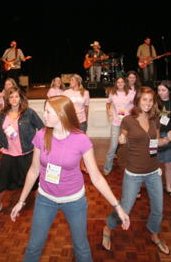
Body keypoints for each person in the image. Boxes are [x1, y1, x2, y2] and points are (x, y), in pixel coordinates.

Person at [10, 95, 130, 262]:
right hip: (45, 198)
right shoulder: (42, 135)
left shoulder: (81, 140)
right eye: (44, 111)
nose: (44, 115)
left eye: (48, 112)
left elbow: (96, 177)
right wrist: (21, 201)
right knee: (33, 246)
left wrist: (117, 206)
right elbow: (34, 170)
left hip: (74, 200)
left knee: (81, 247)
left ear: (61, 114)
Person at [103, 87, 171, 255]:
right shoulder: (128, 119)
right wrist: (122, 138)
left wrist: (167, 139)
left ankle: (154, 234)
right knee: (125, 208)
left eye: (150, 100)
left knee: (158, 208)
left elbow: (154, 143)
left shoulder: (155, 119)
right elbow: (123, 135)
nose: (147, 104)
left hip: (153, 171)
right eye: (144, 100)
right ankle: (108, 228)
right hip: (134, 172)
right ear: (138, 101)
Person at [0, 87, 44, 222]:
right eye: (11, 97)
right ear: (7, 99)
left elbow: (42, 128)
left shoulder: (29, 113)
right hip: (8, 153)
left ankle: (40, 206)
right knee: (1, 182)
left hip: (27, 153)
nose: (14, 99)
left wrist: (39, 145)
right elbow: (2, 134)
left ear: (21, 98)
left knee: (34, 182)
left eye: (16, 96)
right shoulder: (3, 114)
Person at [104, 76, 134, 176]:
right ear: (116, 84)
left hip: (128, 123)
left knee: (131, 147)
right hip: (116, 123)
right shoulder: (112, 93)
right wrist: (108, 110)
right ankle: (107, 168)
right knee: (113, 146)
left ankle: (133, 169)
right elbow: (108, 103)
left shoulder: (130, 93)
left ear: (125, 83)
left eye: (122, 82)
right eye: (118, 82)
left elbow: (136, 106)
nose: (120, 84)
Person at [156, 80, 171, 200]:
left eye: (163, 90)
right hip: (155, 135)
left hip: (170, 135)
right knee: (152, 162)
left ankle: (169, 187)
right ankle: (152, 186)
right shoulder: (154, 101)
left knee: (169, 163)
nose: (161, 93)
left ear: (169, 91)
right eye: (159, 90)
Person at [63, 74, 91, 174]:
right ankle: (70, 165)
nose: (70, 82)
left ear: (78, 81)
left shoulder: (85, 92)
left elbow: (86, 108)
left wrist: (86, 120)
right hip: (70, 122)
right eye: (70, 80)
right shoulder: (66, 92)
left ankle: (82, 165)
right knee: (69, 144)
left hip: (82, 122)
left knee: (81, 144)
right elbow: (63, 107)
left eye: (72, 80)